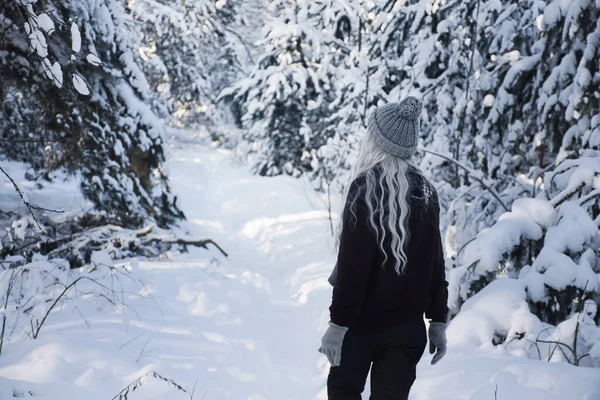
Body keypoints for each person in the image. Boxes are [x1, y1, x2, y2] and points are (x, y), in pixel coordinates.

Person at [318, 97, 449, 400]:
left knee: (343, 392)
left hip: (360, 329)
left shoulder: (364, 188)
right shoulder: (426, 191)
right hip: (408, 331)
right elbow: (435, 263)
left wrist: (337, 326)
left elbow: (353, 268)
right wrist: (438, 320)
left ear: (375, 142)